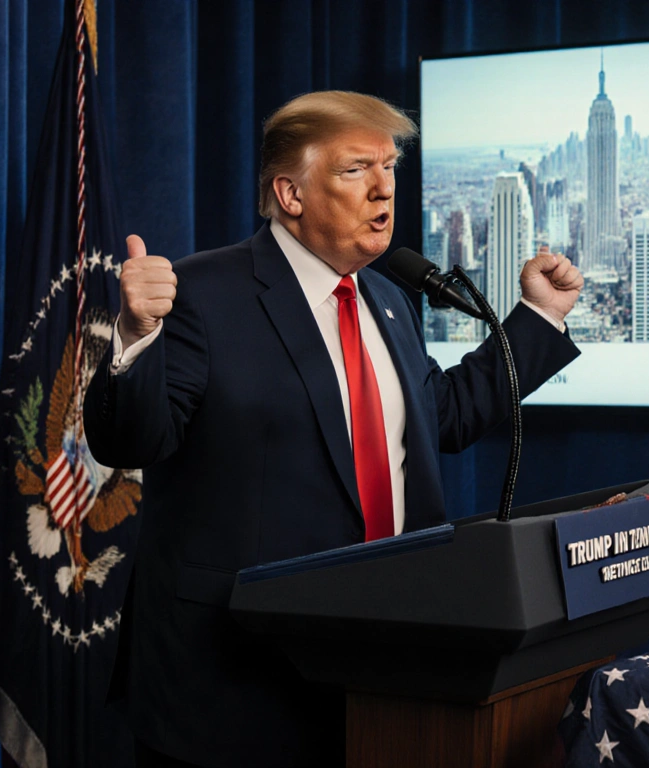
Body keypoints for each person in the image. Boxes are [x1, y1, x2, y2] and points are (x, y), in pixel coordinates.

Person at [83, 90, 583, 768]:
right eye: (356, 170)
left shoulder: (389, 299)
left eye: (390, 167)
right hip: (236, 682)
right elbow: (131, 441)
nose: (384, 189)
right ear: (290, 194)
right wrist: (135, 335)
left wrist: (540, 316)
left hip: (386, 668)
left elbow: (442, 416)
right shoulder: (203, 292)